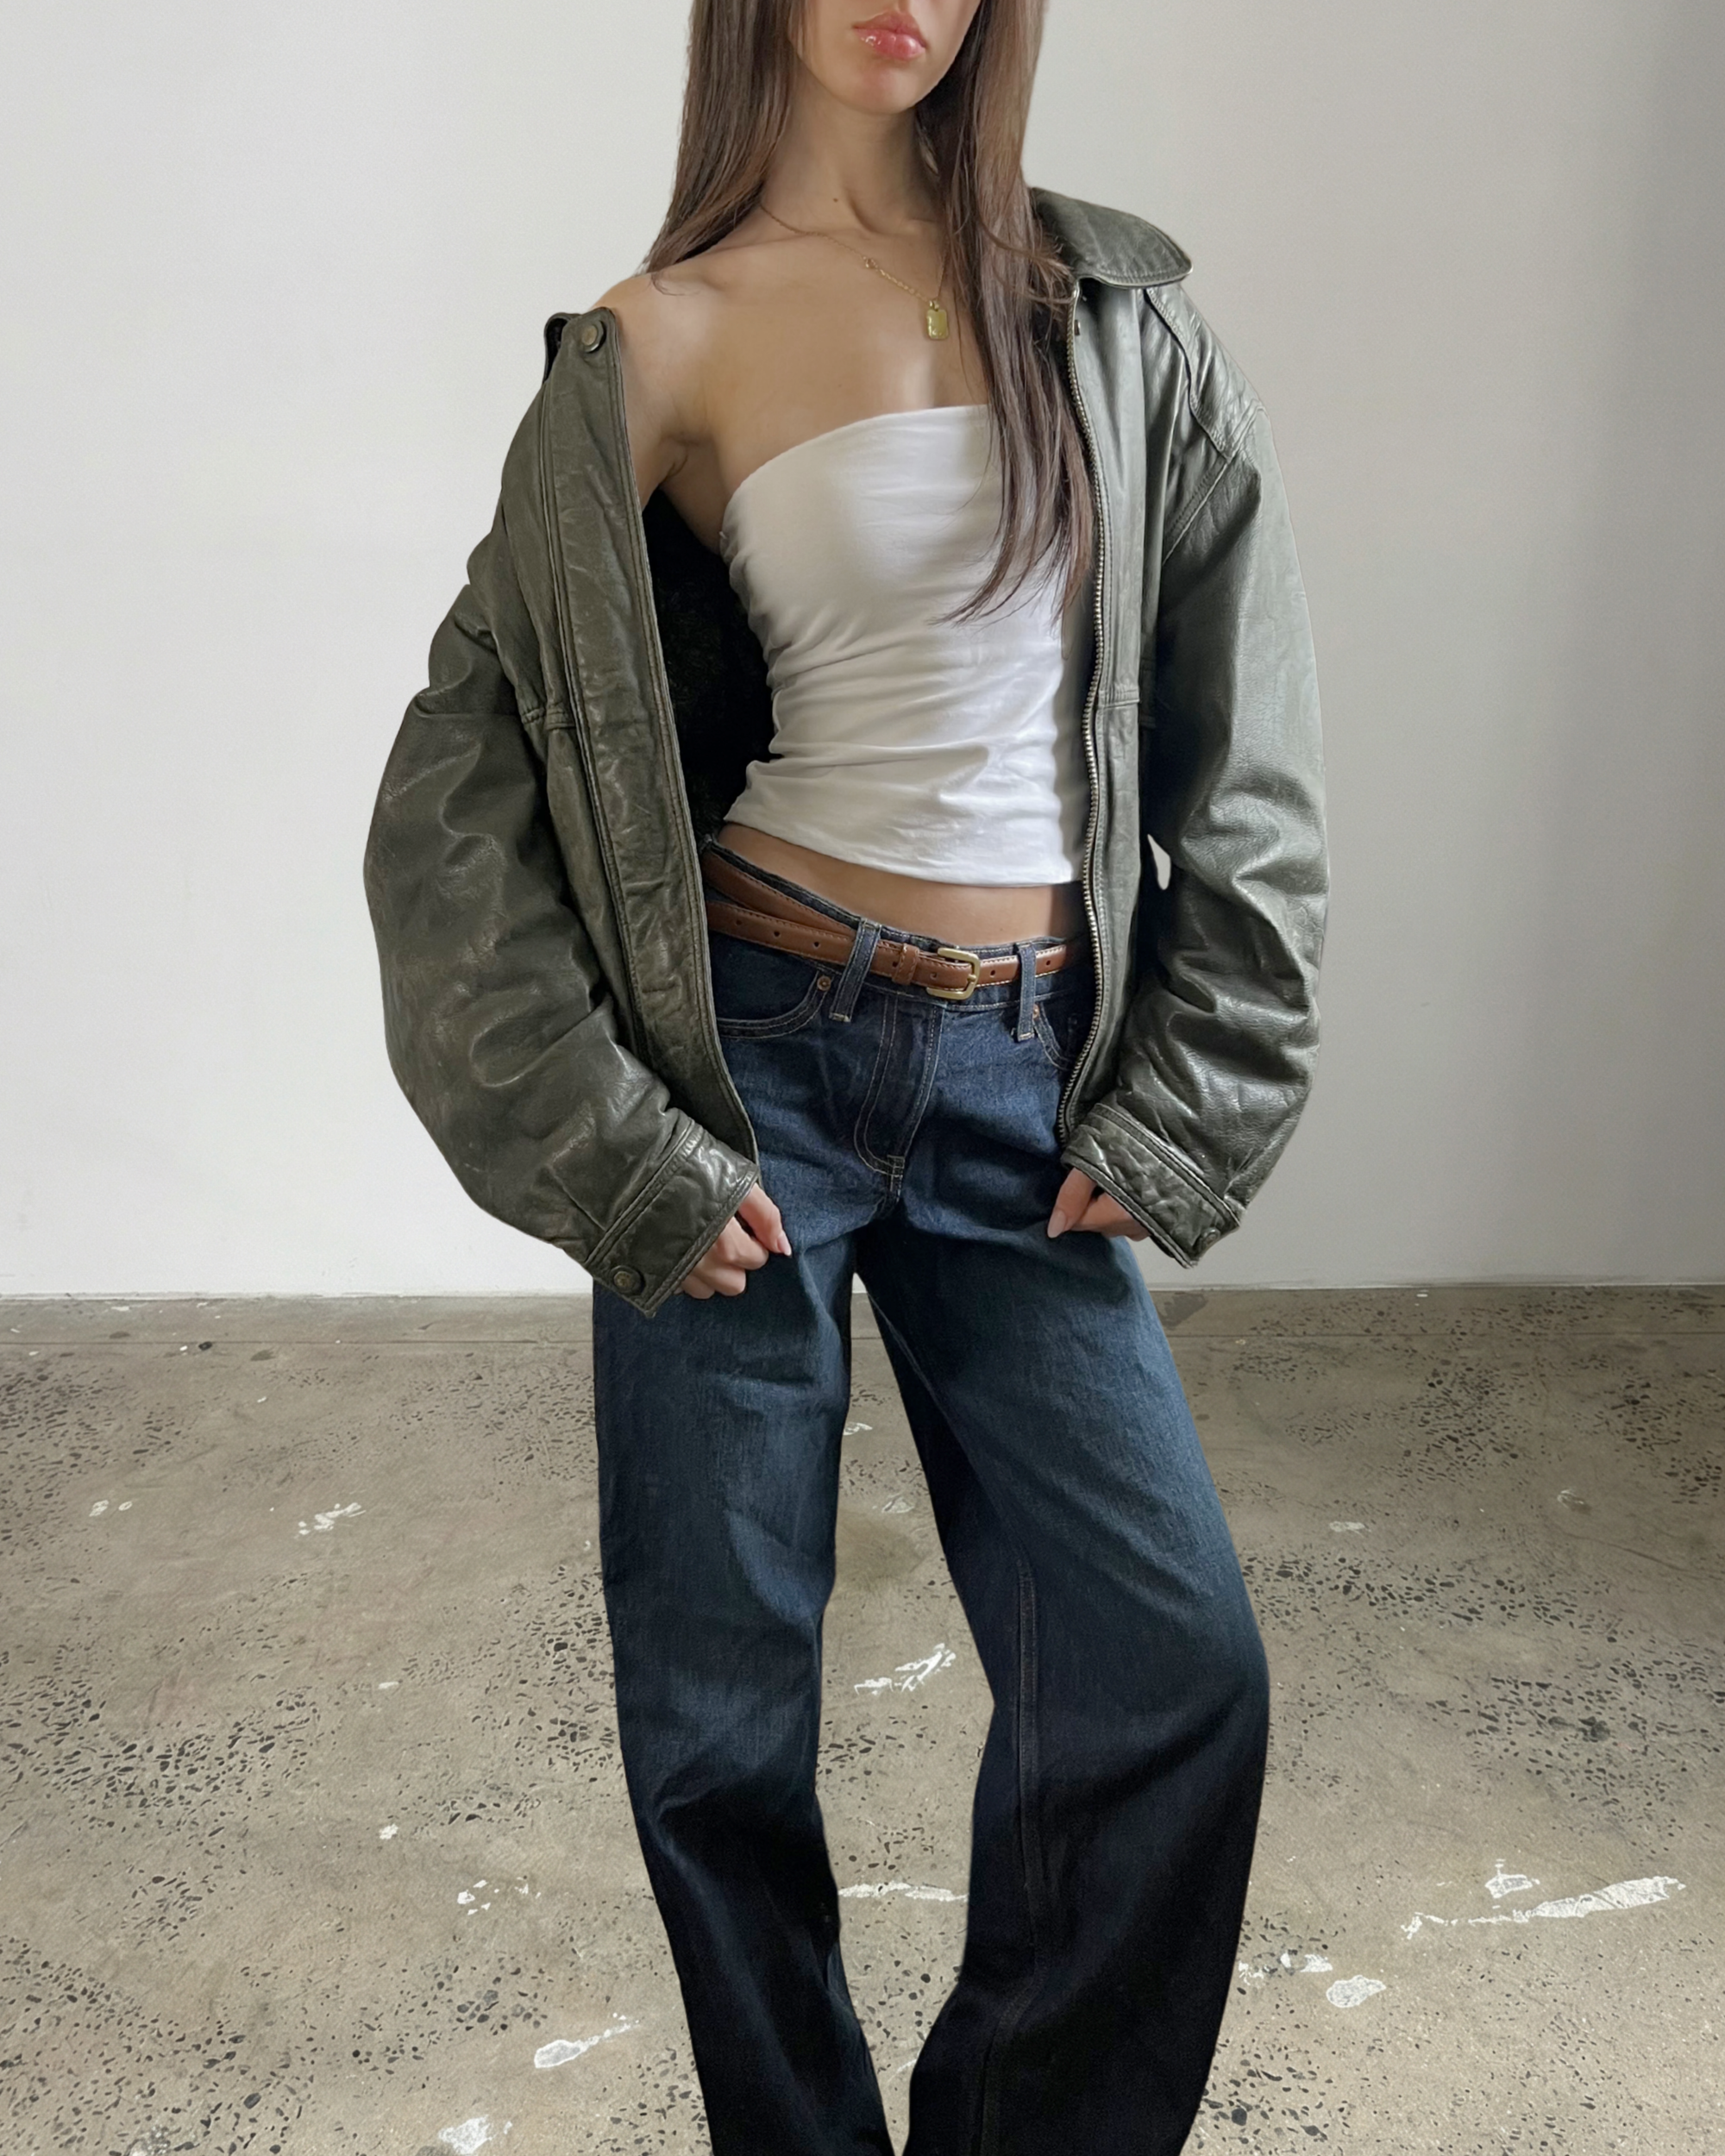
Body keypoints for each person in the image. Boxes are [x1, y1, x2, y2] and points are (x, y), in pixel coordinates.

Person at [363, 0, 1327, 2147]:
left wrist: (1187, 1091)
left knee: (1171, 1670)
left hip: (1021, 1084)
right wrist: (614, 1148)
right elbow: (451, 808)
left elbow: (1247, 769)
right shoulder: (664, 340)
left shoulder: (1118, 330)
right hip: (755, 1072)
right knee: (719, 1724)